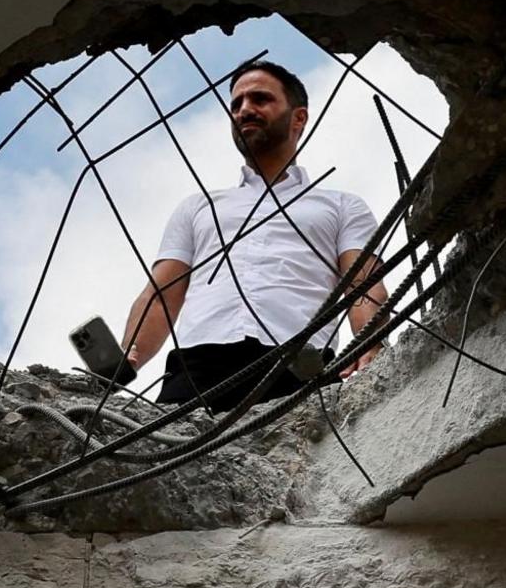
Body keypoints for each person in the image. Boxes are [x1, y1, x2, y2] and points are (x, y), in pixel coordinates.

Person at [115, 59, 388, 410]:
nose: (244, 110)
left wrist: (370, 342)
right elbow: (162, 294)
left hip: (298, 365)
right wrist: (129, 355)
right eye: (236, 104)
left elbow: (363, 285)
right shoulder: (199, 206)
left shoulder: (341, 206)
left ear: (298, 118)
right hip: (197, 370)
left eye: (260, 99)